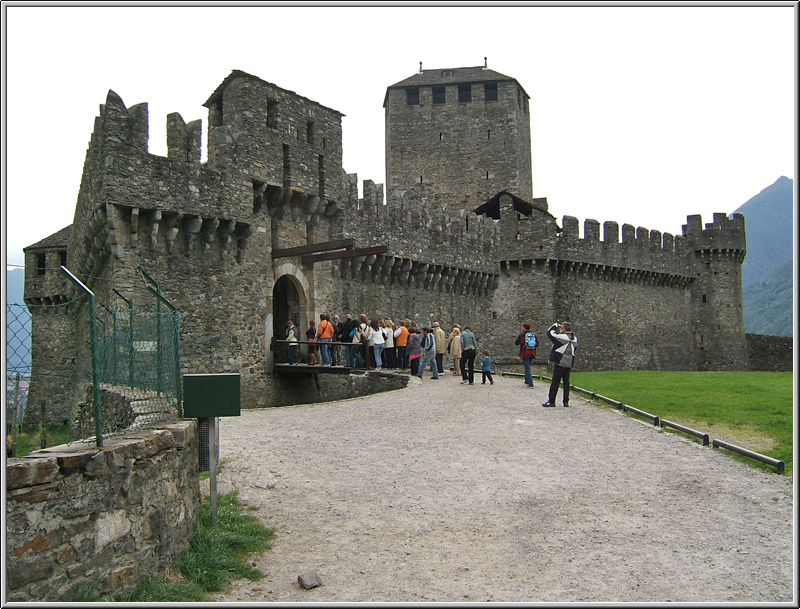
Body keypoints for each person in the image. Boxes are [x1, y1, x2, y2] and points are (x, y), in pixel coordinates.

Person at [542, 321, 578, 407]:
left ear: (564, 329)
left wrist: (555, 325)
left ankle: (551, 401)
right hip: (569, 362)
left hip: (560, 361)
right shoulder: (575, 339)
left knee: (555, 382)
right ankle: (566, 401)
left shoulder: (563, 337)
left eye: (562, 328)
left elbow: (550, 333)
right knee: (566, 382)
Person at [514, 322, 538, 388]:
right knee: (527, 366)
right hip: (532, 352)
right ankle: (527, 381)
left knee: (527, 368)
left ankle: (531, 384)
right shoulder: (534, 335)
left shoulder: (522, 335)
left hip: (525, 353)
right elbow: (537, 344)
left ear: (524, 328)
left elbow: (516, 343)